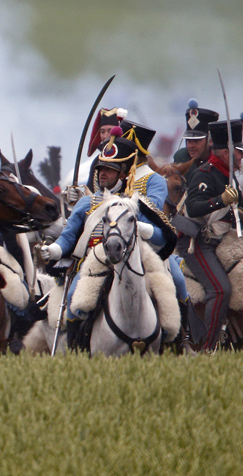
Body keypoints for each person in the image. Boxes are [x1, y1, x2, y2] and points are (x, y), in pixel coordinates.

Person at [39, 131, 167, 349]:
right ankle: (76, 348)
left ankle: (180, 340)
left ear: (123, 173)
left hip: (136, 258)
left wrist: (140, 227)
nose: (102, 174)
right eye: (100, 169)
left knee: (171, 290)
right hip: (94, 262)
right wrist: (53, 251)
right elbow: (68, 237)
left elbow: (161, 235)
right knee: (73, 298)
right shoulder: (87, 203)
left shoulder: (137, 203)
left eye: (109, 170)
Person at [177, 116, 243, 351]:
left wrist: (238, 209)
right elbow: (193, 207)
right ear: (226, 152)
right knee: (220, 290)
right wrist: (221, 200)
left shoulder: (227, 175)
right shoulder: (204, 173)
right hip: (199, 243)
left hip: (221, 240)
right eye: (239, 151)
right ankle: (207, 348)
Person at [173, 99, 219, 181]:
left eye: (196, 141)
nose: (191, 146)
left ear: (210, 141)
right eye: (189, 141)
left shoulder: (219, 161)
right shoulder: (180, 158)